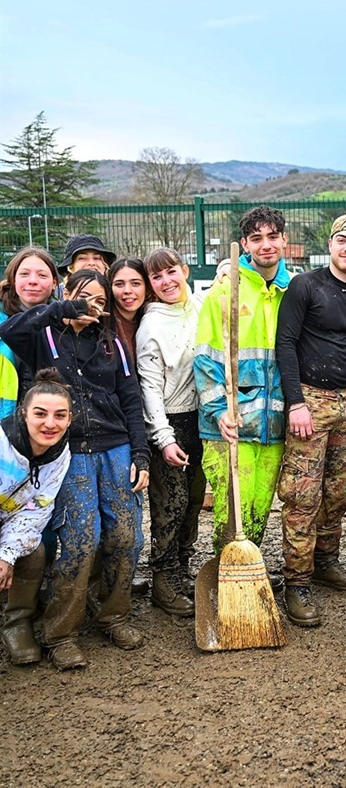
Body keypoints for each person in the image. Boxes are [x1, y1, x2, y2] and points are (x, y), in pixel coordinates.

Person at [0, 269, 149, 670]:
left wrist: (141, 453)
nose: (91, 307)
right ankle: (60, 631)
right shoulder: (43, 335)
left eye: (99, 301)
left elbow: (131, 399)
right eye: (83, 298)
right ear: (67, 295)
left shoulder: (112, 342)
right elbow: (10, 329)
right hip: (70, 451)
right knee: (83, 537)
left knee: (126, 535)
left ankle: (114, 615)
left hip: (115, 447)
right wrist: (63, 309)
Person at [276, 213, 346, 626]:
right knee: (302, 495)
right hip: (310, 400)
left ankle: (325, 561)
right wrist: (295, 402)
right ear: (331, 244)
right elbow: (285, 343)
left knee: (339, 490)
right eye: (342, 239)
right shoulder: (306, 286)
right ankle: (296, 581)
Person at [195, 206, 291, 582]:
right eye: (256, 238)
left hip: (274, 424)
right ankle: (226, 576)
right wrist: (219, 409)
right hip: (230, 425)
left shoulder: (294, 290)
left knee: (258, 510)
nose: (265, 245)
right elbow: (206, 358)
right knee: (230, 511)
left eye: (272, 236)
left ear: (284, 240)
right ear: (246, 244)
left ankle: (250, 577)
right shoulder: (225, 291)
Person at [136, 248, 205, 617]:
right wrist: (163, 438)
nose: (167, 282)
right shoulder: (151, 326)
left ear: (185, 270)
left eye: (171, 272)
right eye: (157, 277)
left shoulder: (198, 305)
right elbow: (150, 388)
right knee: (170, 506)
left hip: (202, 419)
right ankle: (162, 578)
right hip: (171, 423)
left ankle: (183, 567)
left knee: (194, 501)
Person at [0, 369, 72, 665]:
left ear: (70, 419)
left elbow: (37, 509)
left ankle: (16, 624)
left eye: (60, 416)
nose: (50, 424)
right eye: (40, 414)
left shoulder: (60, 455)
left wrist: (7, 555)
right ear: (24, 413)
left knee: (35, 550)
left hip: (8, 521)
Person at [0, 246, 59, 417]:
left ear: (55, 283)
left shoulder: (63, 320)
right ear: (13, 279)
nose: (33, 281)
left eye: (42, 275)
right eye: (24, 274)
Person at [108, 258, 149, 368]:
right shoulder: (103, 324)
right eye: (119, 284)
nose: (127, 290)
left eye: (135, 283)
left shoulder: (152, 319)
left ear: (147, 287)